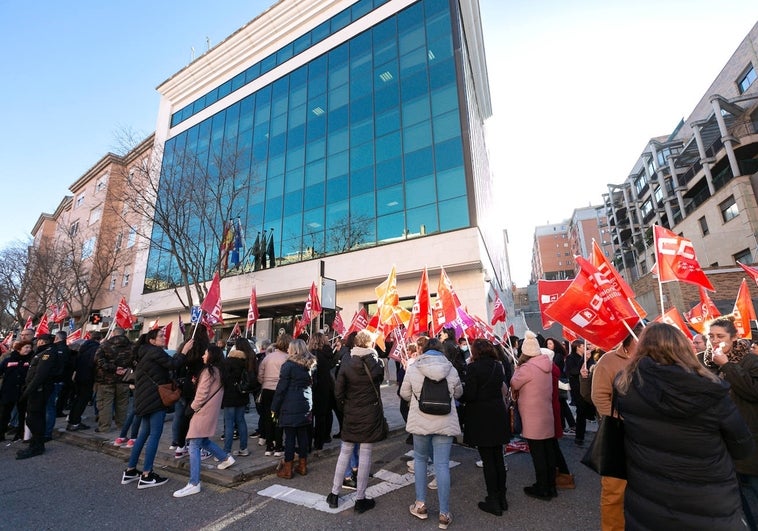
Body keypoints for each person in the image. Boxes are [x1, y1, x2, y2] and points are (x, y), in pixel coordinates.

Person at [615, 322, 753, 529]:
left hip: (649, 492)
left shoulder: (626, 384)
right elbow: (742, 446)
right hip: (708, 496)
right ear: (683, 347)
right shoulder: (710, 387)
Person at [400, 337, 462, 529]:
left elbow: (404, 393)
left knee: (420, 460)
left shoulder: (414, 367)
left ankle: (420, 505)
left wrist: (416, 401)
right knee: (442, 464)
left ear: (424, 350)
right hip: (444, 420)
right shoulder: (451, 369)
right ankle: (444, 513)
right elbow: (458, 393)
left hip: (420, 420)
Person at [121, 330, 192, 488]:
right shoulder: (154, 352)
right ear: (152, 341)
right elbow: (173, 364)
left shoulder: (143, 353)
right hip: (155, 399)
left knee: (144, 434)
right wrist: (185, 351)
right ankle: (147, 474)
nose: (164, 337)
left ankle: (131, 470)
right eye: (160, 336)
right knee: (154, 435)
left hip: (144, 399)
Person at [705, 316, 758, 528]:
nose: (715, 341)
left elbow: (753, 391)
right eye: (711, 336)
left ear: (734, 338)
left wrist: (727, 366)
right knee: (740, 499)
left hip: (750, 439)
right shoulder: (706, 363)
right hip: (722, 443)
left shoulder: (750, 361)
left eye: (721, 336)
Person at [327, 330, 386, 514]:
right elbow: (380, 380)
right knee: (366, 453)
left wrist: (345, 407)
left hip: (351, 412)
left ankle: (334, 493)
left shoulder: (346, 363)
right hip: (370, 413)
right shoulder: (377, 363)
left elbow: (338, 392)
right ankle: (360, 498)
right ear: (370, 344)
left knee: (345, 451)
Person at [590, 324, 641, 531]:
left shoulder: (654, 361)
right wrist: (620, 421)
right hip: (618, 434)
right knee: (614, 490)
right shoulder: (608, 361)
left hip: (647, 438)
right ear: (631, 340)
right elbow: (599, 396)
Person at [173, 345, 235, 497]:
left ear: (211, 355)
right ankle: (225, 458)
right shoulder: (220, 371)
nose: (202, 356)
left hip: (202, 411)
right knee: (203, 440)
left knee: (194, 444)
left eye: (205, 353)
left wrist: (192, 407)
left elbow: (201, 394)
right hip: (210, 411)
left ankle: (194, 483)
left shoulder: (209, 371)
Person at [461, 338, 509, 516]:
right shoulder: (499, 366)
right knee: (498, 458)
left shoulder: (473, 368)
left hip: (481, 416)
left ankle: (493, 500)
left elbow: (470, 394)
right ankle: (502, 497)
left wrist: (462, 395)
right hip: (497, 414)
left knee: (488, 460)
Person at [510, 330, 556, 501]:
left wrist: (517, 370)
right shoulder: (546, 364)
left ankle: (542, 488)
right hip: (546, 414)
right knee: (548, 451)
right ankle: (551, 485)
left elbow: (514, 383)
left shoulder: (527, 368)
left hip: (532, 417)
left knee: (538, 454)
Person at [272, 338, 316, 478]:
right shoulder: (310, 365)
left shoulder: (288, 365)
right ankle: (302, 466)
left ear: (293, 350)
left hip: (290, 404)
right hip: (305, 403)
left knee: (289, 437)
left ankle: (288, 469)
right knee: (302, 436)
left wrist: (274, 407)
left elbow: (281, 389)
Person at [17, 334, 61, 459]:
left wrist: (27, 391)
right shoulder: (42, 352)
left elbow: (40, 375)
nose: (36, 343)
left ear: (42, 341)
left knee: (34, 418)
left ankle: (37, 446)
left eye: (38, 341)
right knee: (33, 418)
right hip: (36, 389)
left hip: (39, 390)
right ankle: (35, 444)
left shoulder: (48, 353)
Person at [173, 333, 210, 458]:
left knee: (184, 416)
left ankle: (181, 445)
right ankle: (197, 447)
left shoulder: (186, 349)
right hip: (198, 385)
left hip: (186, 386)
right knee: (197, 417)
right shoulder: (203, 351)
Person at [94, 327, 133, 434]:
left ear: (113, 333)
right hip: (124, 379)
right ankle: (121, 426)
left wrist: (114, 369)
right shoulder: (131, 346)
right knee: (122, 404)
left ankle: (104, 427)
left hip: (106, 380)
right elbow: (135, 361)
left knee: (105, 404)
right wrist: (125, 369)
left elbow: (98, 360)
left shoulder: (105, 345)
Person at [257, 334, 290, 456]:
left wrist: (264, 382)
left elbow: (260, 374)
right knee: (279, 419)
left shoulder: (268, 357)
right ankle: (278, 446)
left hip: (267, 390)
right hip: (280, 391)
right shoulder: (288, 358)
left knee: (268, 418)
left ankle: (269, 446)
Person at [221, 338, 251, 457]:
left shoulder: (228, 361)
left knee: (229, 424)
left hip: (229, 395)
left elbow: (223, 379)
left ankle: (226, 451)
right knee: (241, 421)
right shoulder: (247, 361)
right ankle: (244, 448)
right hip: (242, 394)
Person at [66, 332, 101, 431]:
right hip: (88, 377)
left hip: (79, 376)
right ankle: (75, 422)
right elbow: (94, 363)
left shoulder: (83, 347)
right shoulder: (96, 349)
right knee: (82, 400)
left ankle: (72, 420)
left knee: (78, 399)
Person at [309, 332, 337, 450]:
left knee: (310, 417)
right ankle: (321, 441)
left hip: (312, 388)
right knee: (323, 415)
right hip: (326, 387)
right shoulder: (329, 353)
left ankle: (308, 441)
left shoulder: (310, 355)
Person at [0, 340, 32, 441]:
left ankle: (20, 433)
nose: (28, 349)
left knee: (22, 414)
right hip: (8, 391)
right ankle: (1, 433)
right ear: (19, 348)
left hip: (23, 391)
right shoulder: (8, 360)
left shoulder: (31, 360)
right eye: (26, 347)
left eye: (30, 348)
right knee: (4, 413)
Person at [565, 340, 592, 445]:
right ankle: (579, 437)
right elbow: (573, 371)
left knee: (587, 410)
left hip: (588, 386)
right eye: (583, 346)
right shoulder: (570, 358)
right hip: (577, 388)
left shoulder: (589, 357)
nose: (585, 348)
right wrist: (584, 360)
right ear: (577, 347)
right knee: (581, 411)